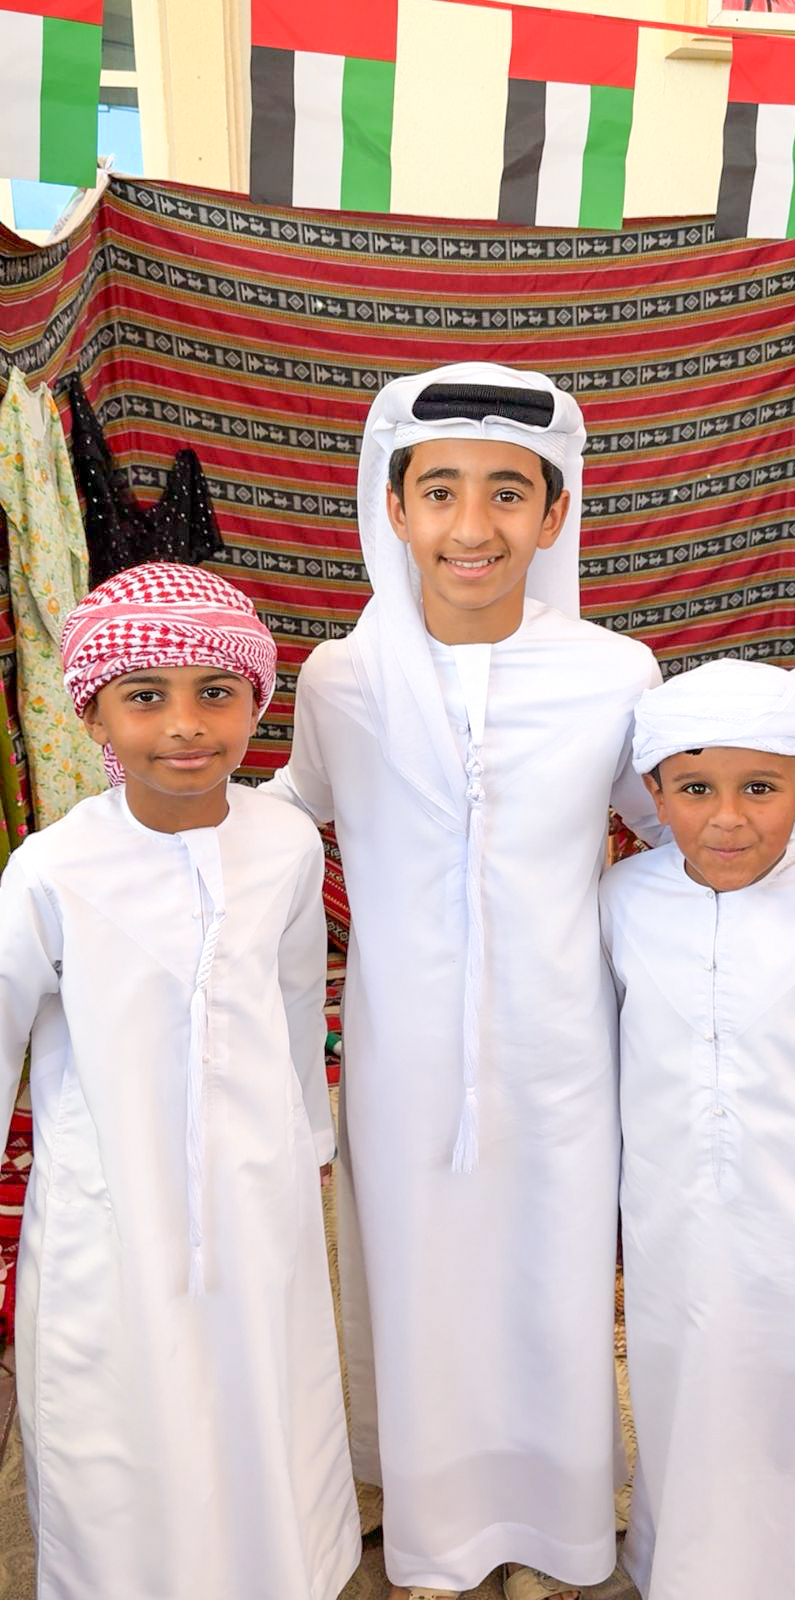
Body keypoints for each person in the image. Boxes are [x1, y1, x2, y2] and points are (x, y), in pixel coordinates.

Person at [266, 361, 668, 1600]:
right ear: (395, 508)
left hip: (561, 1053)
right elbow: (284, 814)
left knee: (551, 1285)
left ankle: (554, 1534)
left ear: (556, 513)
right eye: (440, 491)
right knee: (421, 1287)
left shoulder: (617, 671)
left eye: (508, 492)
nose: (472, 525)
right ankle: (436, 1535)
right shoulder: (341, 677)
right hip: (401, 1057)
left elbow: (678, 823)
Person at [0, 563, 361, 1600]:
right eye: (145, 697)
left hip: (259, 1190)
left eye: (216, 693)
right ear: (95, 715)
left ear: (256, 703)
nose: (186, 726)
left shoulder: (285, 842)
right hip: (111, 1205)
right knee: (124, 1416)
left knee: (263, 1395)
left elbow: (296, 1003)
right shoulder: (53, 868)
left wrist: (307, 1142)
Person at [598, 659, 795, 1600]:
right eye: (695, 790)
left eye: (760, 789)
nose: (726, 819)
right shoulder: (623, 899)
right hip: (675, 1221)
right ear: (654, 796)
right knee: (690, 1395)